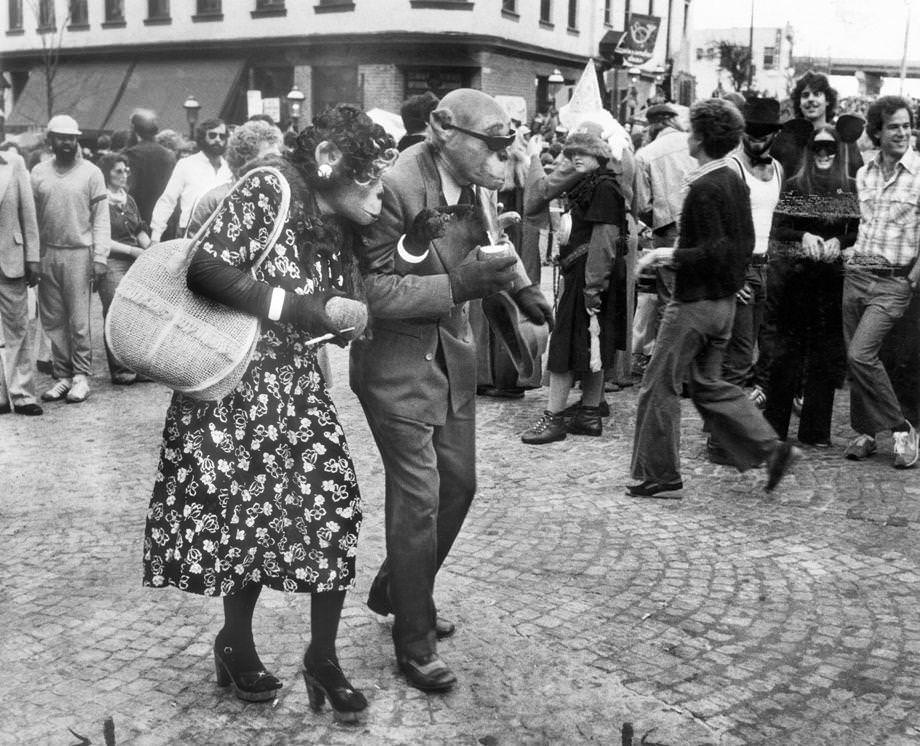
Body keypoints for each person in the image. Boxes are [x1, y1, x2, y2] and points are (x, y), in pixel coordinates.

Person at [143, 104, 397, 722]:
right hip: (232, 384)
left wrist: (343, 317)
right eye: (370, 180)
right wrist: (311, 311)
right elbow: (205, 268)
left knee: (331, 508)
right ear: (332, 164)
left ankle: (323, 657)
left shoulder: (335, 219)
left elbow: (326, 301)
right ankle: (235, 643)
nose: (379, 194)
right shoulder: (271, 186)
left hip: (296, 387)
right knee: (244, 524)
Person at [350, 88, 553, 692]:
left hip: (450, 360)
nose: (502, 154)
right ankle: (413, 639)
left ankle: (394, 588)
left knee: (460, 484)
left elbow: (493, 243)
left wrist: (521, 291)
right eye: (491, 142)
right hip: (396, 367)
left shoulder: (472, 180)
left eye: (506, 142)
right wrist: (461, 286)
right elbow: (371, 294)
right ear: (443, 129)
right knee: (418, 503)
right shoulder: (392, 188)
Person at [629, 98, 798, 499]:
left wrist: (664, 254)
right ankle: (772, 450)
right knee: (708, 385)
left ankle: (661, 475)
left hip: (695, 306)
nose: (687, 137)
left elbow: (716, 251)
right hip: (722, 307)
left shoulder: (706, 186)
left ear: (701, 137)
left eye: (691, 131)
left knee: (658, 387)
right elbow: (741, 246)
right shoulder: (732, 180)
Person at [520, 122, 625, 443]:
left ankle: (553, 418)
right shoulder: (592, 184)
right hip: (589, 275)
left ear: (600, 155)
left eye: (584, 152)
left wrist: (593, 288)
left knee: (565, 346)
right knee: (594, 344)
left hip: (588, 278)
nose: (576, 157)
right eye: (572, 153)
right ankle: (590, 414)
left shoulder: (603, 187)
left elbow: (604, 241)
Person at [762, 126, 859, 446]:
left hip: (830, 282)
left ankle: (816, 431)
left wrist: (838, 241)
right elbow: (779, 230)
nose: (823, 155)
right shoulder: (794, 186)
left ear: (837, 152)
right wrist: (803, 236)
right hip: (796, 279)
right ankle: (775, 427)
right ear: (809, 152)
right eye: (817, 149)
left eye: (829, 149)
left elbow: (857, 232)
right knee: (786, 356)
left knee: (824, 357)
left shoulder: (848, 189)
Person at [840, 95, 920, 468]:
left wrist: (913, 277)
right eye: (894, 126)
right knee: (855, 359)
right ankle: (866, 433)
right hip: (857, 275)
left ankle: (902, 428)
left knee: (861, 352)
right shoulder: (864, 173)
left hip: (893, 282)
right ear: (877, 132)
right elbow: (863, 226)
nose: (903, 132)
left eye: (906, 125)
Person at [706, 98, 785, 463]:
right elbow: (718, 227)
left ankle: (732, 429)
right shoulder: (732, 167)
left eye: (764, 133)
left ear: (775, 134)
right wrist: (731, 274)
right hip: (740, 268)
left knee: (760, 352)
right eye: (750, 132)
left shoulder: (779, 170)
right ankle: (721, 440)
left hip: (768, 266)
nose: (757, 139)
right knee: (737, 356)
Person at [32, 114, 110, 404]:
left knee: (78, 319)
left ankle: (81, 376)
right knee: (53, 320)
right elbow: (32, 221)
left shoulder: (91, 173)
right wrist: (33, 257)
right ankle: (63, 375)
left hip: (80, 252)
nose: (67, 143)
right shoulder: (38, 173)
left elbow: (101, 220)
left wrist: (100, 257)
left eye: (72, 138)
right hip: (48, 252)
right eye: (61, 137)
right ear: (50, 139)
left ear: (77, 140)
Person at [95, 153, 152, 385]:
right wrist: (133, 251)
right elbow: (101, 237)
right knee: (115, 312)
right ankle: (119, 369)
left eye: (126, 169)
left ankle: (140, 366)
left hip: (135, 260)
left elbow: (138, 229)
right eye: (118, 170)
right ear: (106, 173)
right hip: (112, 261)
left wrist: (150, 248)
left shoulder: (128, 199)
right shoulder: (100, 200)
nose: (124, 174)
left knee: (139, 313)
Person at [185, 119, 284, 236]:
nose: (278, 166)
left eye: (278, 158)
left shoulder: (283, 199)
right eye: (268, 159)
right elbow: (192, 247)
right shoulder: (215, 200)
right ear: (245, 160)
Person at [0, 146, 43, 415]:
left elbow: (28, 213)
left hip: (11, 258)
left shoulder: (14, 164)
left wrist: (33, 257)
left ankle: (23, 394)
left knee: (18, 327)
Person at [149, 118, 232, 242]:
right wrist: (156, 235)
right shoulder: (186, 164)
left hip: (222, 234)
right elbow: (168, 200)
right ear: (203, 137)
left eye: (222, 136)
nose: (218, 140)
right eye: (213, 135)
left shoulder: (229, 169)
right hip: (189, 233)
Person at [772, 71, 863, 179]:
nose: (810, 99)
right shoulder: (787, 138)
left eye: (817, 94)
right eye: (805, 95)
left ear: (827, 100)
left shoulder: (844, 137)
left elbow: (857, 177)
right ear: (799, 103)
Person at [123, 109, 177, 226]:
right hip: (164, 220)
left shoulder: (131, 154)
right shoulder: (169, 156)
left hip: (138, 222)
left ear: (133, 128)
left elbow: (128, 191)